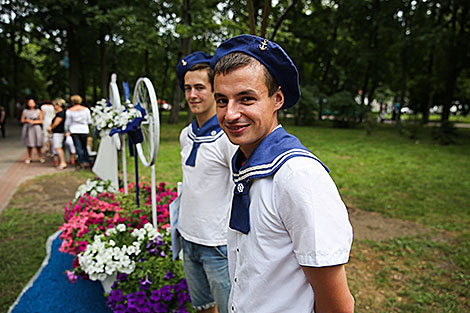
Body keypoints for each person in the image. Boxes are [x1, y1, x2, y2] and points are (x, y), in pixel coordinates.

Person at [211, 35, 354, 313]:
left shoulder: (298, 176)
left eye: (246, 99)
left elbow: (338, 303)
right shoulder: (246, 164)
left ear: (277, 98)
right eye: (221, 100)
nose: (229, 114)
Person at [176, 51, 237, 313]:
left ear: (214, 90)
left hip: (218, 244)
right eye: (188, 88)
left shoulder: (228, 139)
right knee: (202, 307)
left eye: (200, 87)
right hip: (187, 238)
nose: (192, 95)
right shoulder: (185, 135)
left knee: (229, 309)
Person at [65, 94, 92, 169]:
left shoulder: (69, 111)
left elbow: (67, 122)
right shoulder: (86, 110)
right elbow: (89, 120)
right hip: (84, 129)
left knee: (78, 146)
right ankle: (87, 160)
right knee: (84, 146)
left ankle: (81, 162)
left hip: (74, 129)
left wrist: (67, 130)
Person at [48, 98, 75, 170]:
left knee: (57, 147)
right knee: (61, 147)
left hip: (58, 132)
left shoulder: (60, 114)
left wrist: (50, 127)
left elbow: (56, 123)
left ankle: (63, 162)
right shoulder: (64, 112)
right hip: (61, 132)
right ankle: (64, 161)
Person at [21, 98, 44, 163]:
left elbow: (41, 121)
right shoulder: (25, 111)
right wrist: (27, 120)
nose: (31, 104)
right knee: (29, 144)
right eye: (29, 103)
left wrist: (34, 122)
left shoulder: (38, 111)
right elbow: (22, 120)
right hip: (28, 128)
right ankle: (29, 157)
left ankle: (40, 157)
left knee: (38, 143)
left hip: (36, 128)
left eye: (32, 103)